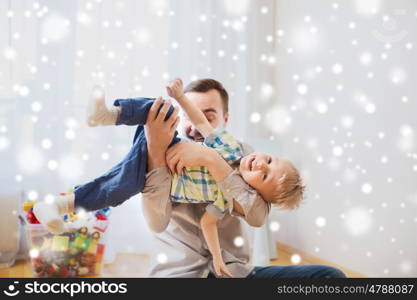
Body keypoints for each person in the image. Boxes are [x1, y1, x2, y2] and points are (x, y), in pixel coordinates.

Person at [141, 78, 346, 278]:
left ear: (225, 120)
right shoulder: (164, 157)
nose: (194, 126)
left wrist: (210, 158)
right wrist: (155, 151)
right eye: (188, 115)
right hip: (179, 273)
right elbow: (156, 222)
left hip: (233, 273)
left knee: (329, 277)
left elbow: (257, 216)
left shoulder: (242, 155)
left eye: (208, 117)